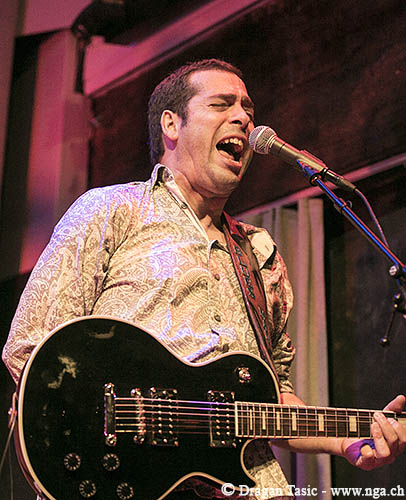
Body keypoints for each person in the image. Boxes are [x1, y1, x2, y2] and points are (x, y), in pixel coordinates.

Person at [2, 59, 405, 499]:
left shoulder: (260, 252)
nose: (243, 118)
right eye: (222, 104)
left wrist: (348, 441)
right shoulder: (112, 211)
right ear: (171, 125)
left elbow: (273, 401)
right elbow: (31, 346)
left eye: (248, 108)